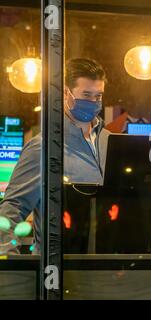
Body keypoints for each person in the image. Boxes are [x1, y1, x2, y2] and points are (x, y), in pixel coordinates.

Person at [0, 58, 110, 253]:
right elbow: (11, 210)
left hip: (108, 271)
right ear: (65, 93)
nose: (93, 102)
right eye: (86, 95)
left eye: (98, 96)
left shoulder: (110, 142)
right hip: (59, 273)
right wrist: (15, 271)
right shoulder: (44, 147)